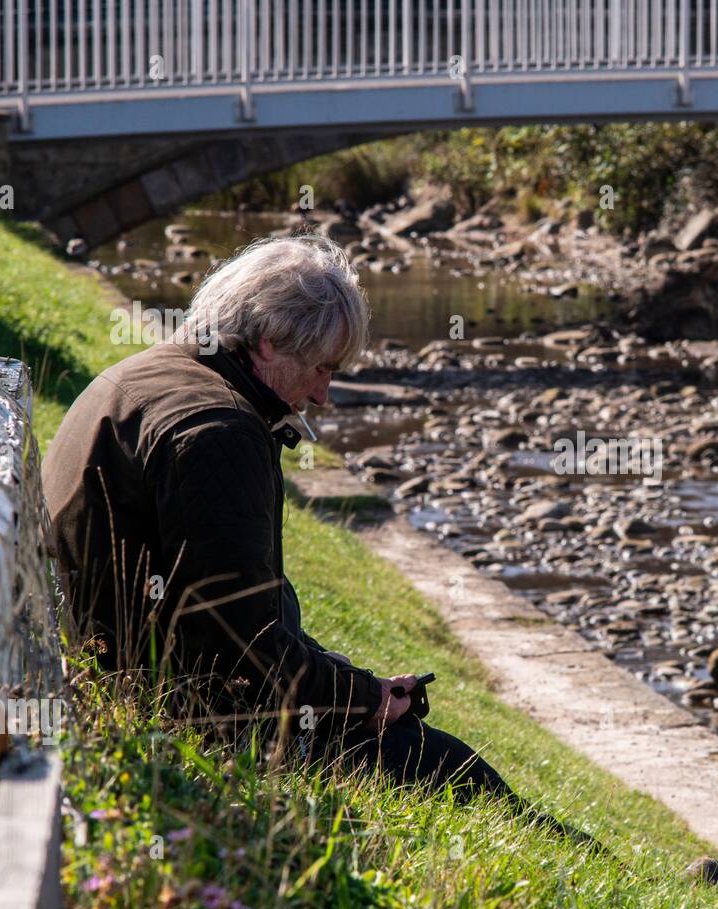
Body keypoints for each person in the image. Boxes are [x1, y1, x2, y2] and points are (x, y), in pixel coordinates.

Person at [43, 234, 596, 846]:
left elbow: (222, 618)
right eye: (322, 368)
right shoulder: (220, 433)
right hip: (178, 719)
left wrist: (344, 681)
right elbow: (237, 648)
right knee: (432, 760)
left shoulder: (147, 374)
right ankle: (599, 877)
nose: (323, 395)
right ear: (269, 341)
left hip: (112, 677)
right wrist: (364, 700)